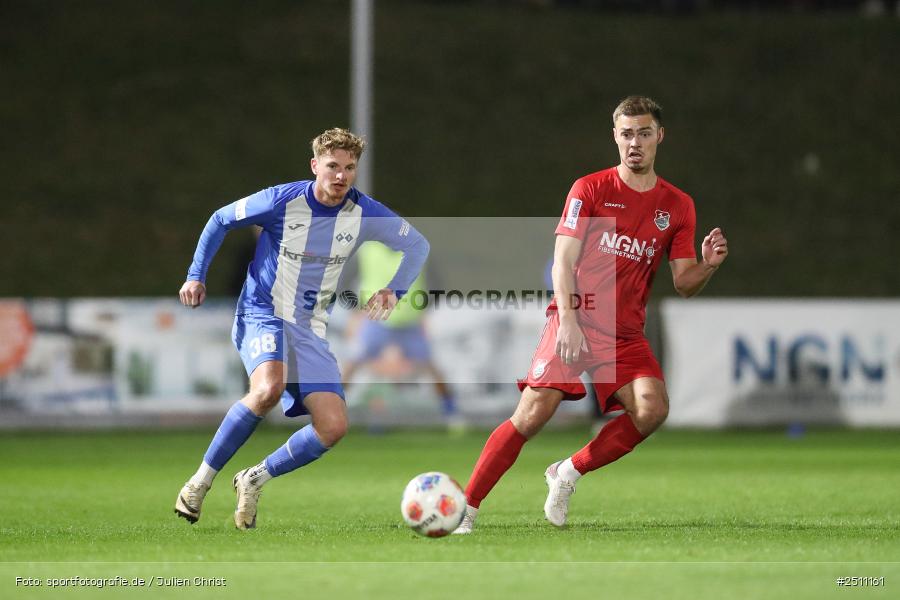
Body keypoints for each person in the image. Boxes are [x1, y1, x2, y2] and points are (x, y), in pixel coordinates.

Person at [453, 96, 728, 534]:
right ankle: (466, 509)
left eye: (642, 133)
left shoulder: (677, 205)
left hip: (624, 333)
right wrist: (569, 321)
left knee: (652, 410)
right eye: (625, 134)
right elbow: (563, 261)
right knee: (532, 413)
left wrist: (708, 265)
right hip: (576, 317)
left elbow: (683, 283)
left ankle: (567, 472)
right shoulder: (591, 189)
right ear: (614, 137)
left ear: (659, 136)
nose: (633, 143)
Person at [174, 128, 429, 529]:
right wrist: (195, 275)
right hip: (263, 311)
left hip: (309, 327)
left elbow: (417, 245)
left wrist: (393, 291)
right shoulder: (281, 201)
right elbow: (220, 219)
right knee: (267, 388)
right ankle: (200, 482)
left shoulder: (364, 212)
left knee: (333, 426)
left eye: (349, 168)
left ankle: (254, 477)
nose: (341, 176)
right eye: (332, 166)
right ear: (315, 166)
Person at [341, 242, 461, 428]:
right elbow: (343, 284)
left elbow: (437, 286)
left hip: (410, 323)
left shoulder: (419, 249)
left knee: (431, 367)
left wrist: (423, 311)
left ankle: (452, 414)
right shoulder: (367, 250)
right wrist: (356, 311)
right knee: (351, 363)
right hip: (375, 321)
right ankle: (331, 410)